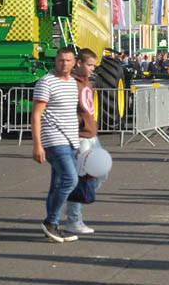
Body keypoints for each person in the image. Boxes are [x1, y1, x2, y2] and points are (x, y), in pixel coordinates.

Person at [32, 47, 82, 243]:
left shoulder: (72, 83)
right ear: (55, 61)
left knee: (58, 183)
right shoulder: (46, 82)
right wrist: (37, 145)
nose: (64, 64)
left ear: (74, 62)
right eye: (61, 60)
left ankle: (53, 225)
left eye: (68, 61)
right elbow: (36, 115)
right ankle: (50, 221)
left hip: (71, 139)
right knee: (71, 179)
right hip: (53, 138)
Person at [64, 48, 103, 234]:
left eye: (93, 66)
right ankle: (74, 219)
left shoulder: (86, 82)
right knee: (82, 179)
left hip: (91, 135)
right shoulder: (72, 84)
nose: (92, 69)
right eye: (89, 65)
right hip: (81, 137)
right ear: (78, 63)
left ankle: (75, 205)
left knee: (100, 173)